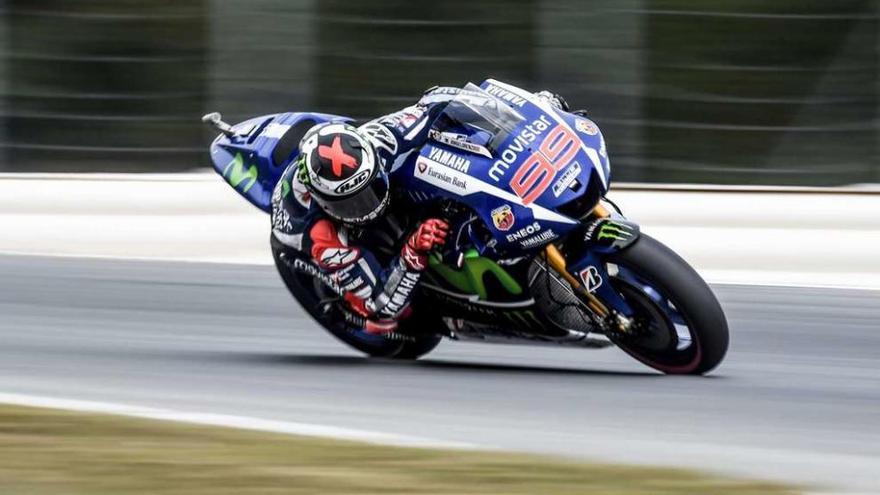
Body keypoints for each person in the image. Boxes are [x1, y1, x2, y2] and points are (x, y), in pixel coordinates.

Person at [270, 85, 569, 335]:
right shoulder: (321, 236)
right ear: (324, 201)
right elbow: (381, 304)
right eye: (352, 202)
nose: (367, 206)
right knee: (382, 321)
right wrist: (413, 250)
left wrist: (529, 112)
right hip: (341, 248)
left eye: (370, 188)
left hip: (381, 180)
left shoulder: (383, 139)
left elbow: (440, 99)